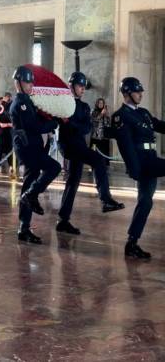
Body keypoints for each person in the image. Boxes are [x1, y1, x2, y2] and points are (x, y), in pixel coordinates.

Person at [57, 72, 124, 235]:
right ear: (71, 86)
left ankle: (63, 220)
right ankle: (106, 200)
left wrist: (71, 122)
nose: (83, 90)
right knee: (98, 160)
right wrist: (72, 124)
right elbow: (63, 126)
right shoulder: (62, 104)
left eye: (83, 87)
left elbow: (86, 128)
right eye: (80, 86)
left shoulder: (84, 107)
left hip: (79, 145)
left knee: (73, 181)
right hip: (68, 145)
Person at [112, 77, 165, 259]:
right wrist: (133, 169)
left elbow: (158, 125)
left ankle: (131, 243)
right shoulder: (121, 116)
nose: (141, 94)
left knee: (145, 202)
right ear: (127, 93)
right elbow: (125, 145)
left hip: (151, 159)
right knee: (145, 201)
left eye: (141, 91)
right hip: (142, 162)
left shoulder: (143, 112)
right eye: (137, 91)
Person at [10, 65, 61, 244]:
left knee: (30, 182)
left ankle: (24, 227)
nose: (31, 85)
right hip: (27, 148)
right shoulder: (21, 103)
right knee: (54, 167)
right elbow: (34, 127)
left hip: (33, 146)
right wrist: (52, 124)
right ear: (19, 83)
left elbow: (38, 120)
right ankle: (31, 196)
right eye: (27, 82)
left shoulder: (28, 101)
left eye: (32, 82)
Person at [90, 98, 111, 165]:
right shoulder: (93, 111)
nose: (100, 104)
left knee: (104, 151)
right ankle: (94, 165)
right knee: (95, 152)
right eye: (99, 103)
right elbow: (93, 120)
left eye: (102, 103)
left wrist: (107, 116)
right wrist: (101, 114)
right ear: (97, 104)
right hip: (96, 136)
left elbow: (108, 123)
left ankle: (104, 165)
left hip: (104, 136)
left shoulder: (106, 111)